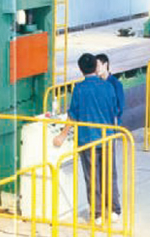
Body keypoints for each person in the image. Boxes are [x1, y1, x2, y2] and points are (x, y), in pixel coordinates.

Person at [53, 53, 120, 223]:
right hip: (107, 137)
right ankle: (114, 210)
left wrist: (62, 135)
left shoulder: (79, 89)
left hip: (87, 139)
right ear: (96, 67)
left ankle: (97, 214)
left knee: (92, 177)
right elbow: (114, 111)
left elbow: (73, 115)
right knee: (109, 174)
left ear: (81, 69)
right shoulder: (108, 86)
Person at [95, 53, 125, 125]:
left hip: (111, 122)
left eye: (98, 66)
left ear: (105, 65)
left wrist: (114, 118)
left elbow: (120, 105)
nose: (96, 69)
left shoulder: (116, 84)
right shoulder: (96, 83)